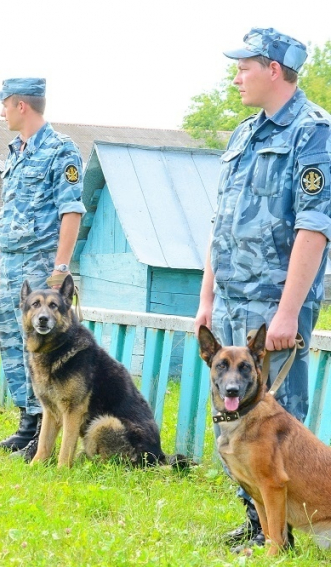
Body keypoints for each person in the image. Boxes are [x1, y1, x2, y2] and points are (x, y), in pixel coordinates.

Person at [193, 28, 331, 552]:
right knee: (232, 421)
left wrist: (288, 312)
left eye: (244, 66)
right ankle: (258, 525)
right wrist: (207, 299)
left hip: (274, 307)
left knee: (273, 425)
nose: (236, 76)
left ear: (274, 69)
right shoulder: (243, 134)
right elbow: (219, 225)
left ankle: (284, 536)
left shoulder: (314, 132)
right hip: (229, 300)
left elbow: (314, 227)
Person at [0, 78, 85, 460]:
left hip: (41, 263)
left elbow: (71, 210)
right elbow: (8, 213)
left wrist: (61, 266)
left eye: (4, 105)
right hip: (12, 265)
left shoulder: (61, 151)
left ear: (20, 106)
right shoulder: (16, 152)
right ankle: (27, 425)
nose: (1, 112)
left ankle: (42, 433)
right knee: (14, 345)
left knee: (43, 350)